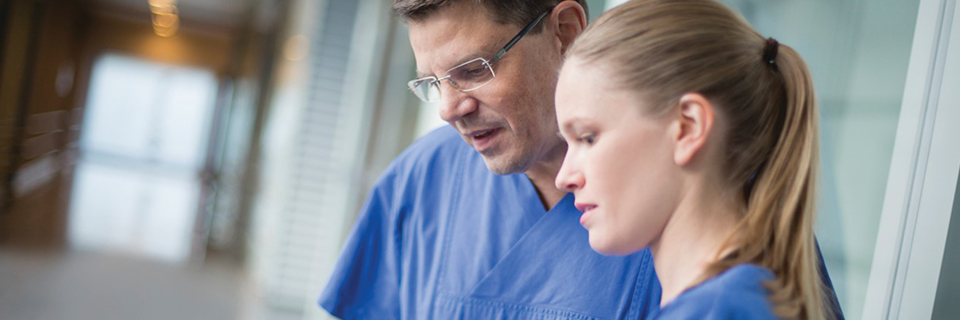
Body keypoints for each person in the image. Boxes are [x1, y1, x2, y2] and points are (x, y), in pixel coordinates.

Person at [320, 0, 842, 319]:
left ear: (565, 30)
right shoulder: (420, 182)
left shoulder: (714, 200)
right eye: (432, 82)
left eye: (474, 69)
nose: (449, 108)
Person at [554, 0, 836, 319]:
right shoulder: (745, 299)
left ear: (689, 127)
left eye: (588, 138)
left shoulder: (718, 310)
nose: (564, 177)